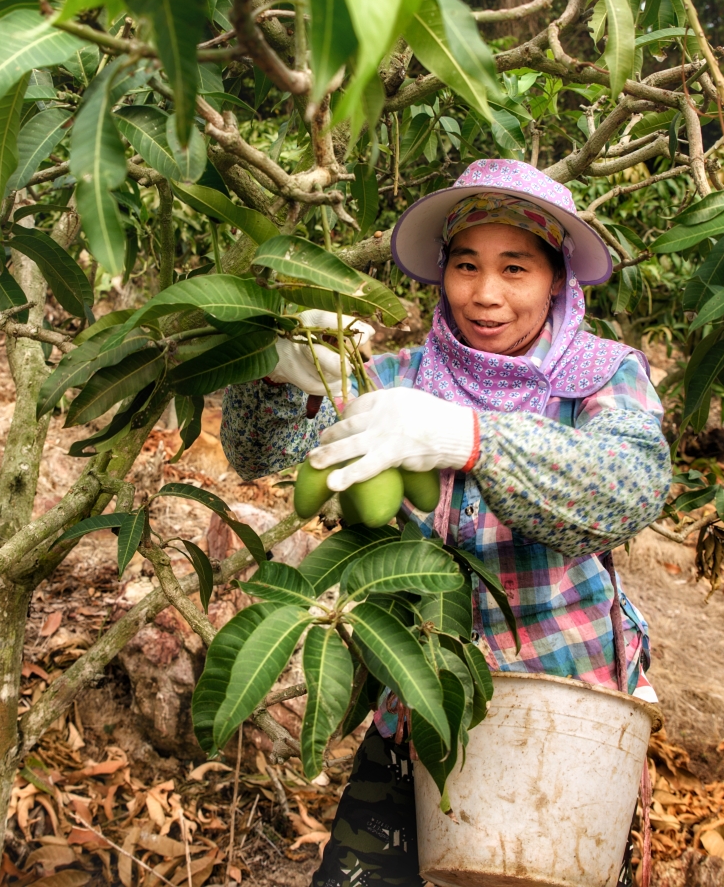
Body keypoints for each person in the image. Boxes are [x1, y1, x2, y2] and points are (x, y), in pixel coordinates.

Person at [219, 159, 672, 887]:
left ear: (558, 279)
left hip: (563, 718)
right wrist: (281, 377)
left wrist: (471, 439)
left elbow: (629, 489)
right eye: (466, 266)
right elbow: (264, 457)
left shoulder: (605, 374)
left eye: (515, 268)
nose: (485, 295)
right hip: (417, 709)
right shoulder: (394, 380)